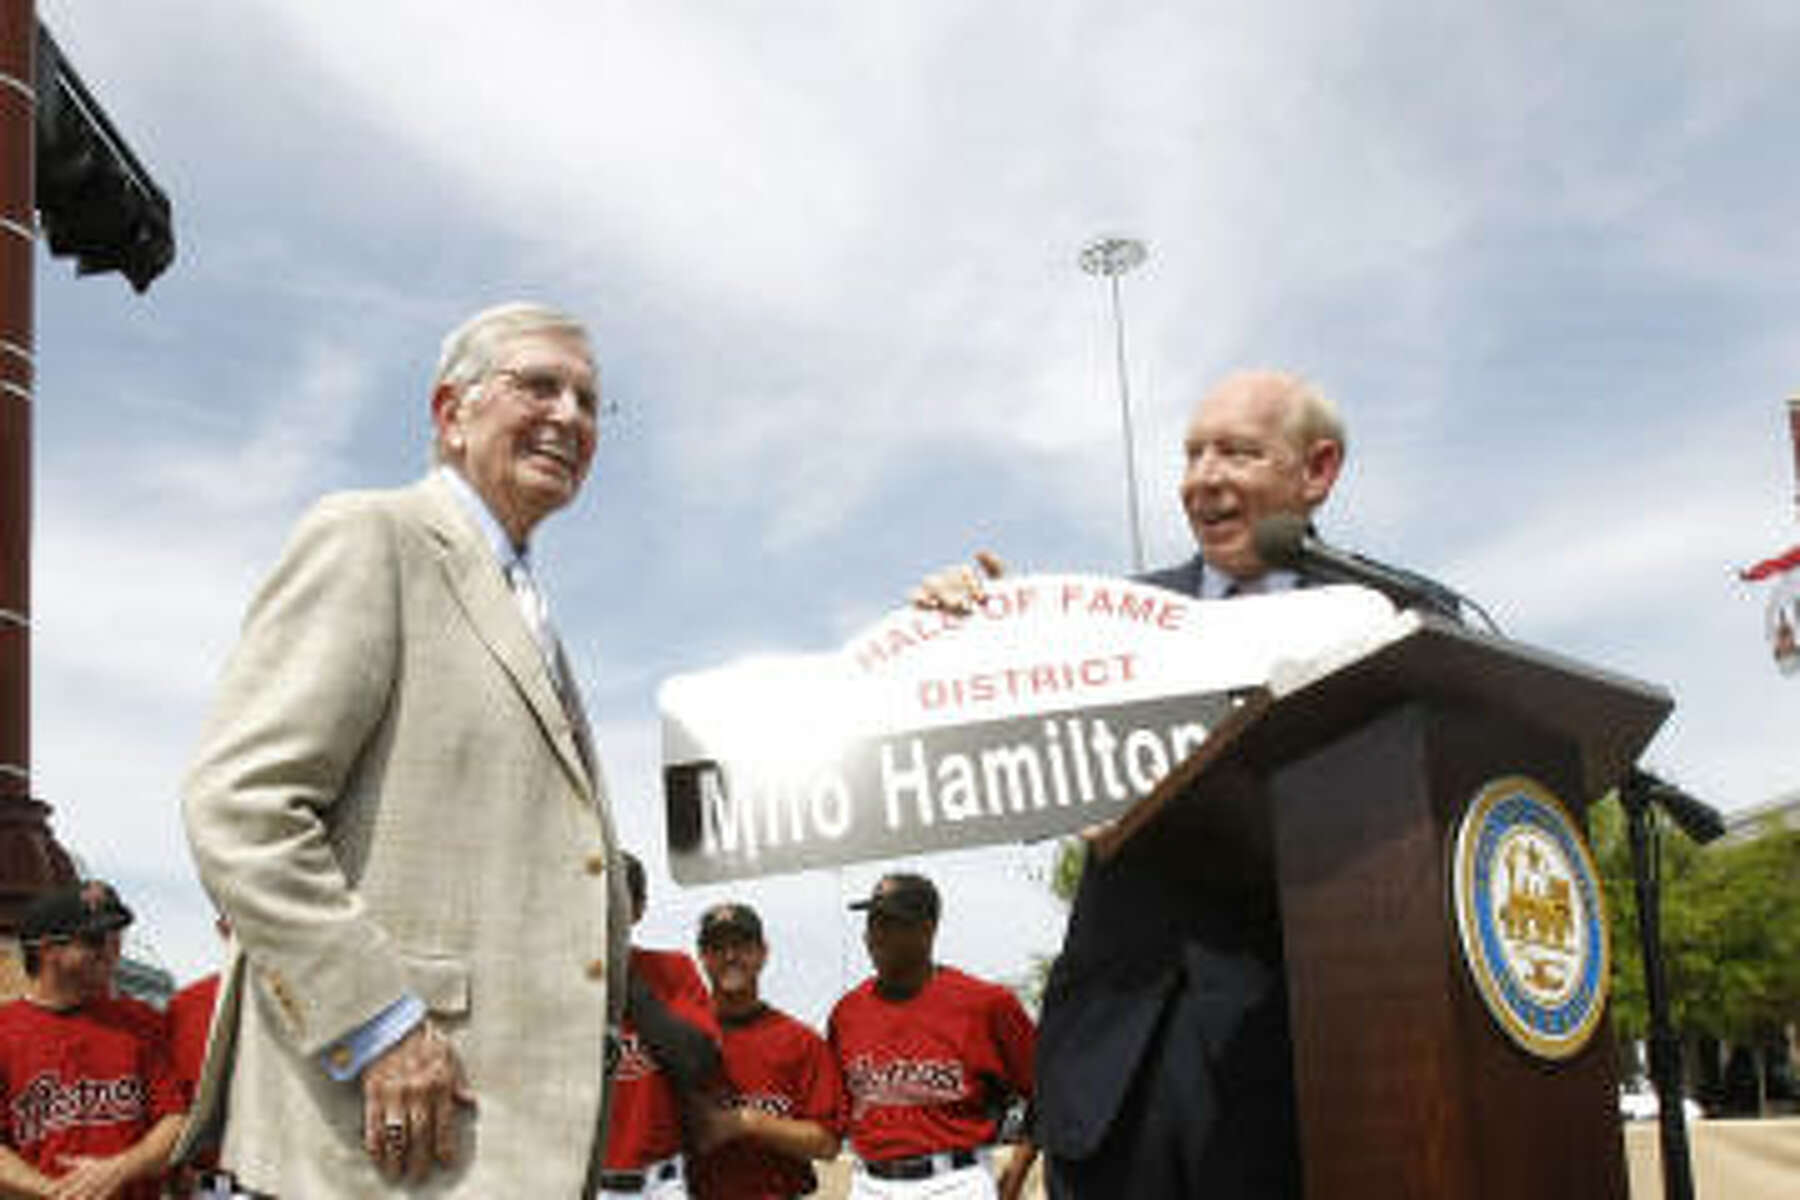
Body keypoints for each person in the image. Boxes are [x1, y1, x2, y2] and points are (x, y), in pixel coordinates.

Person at [918, 369, 1422, 1197]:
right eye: (1192, 454)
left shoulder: (1386, 621)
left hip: (1306, 1075)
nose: (1203, 477)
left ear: (1318, 469)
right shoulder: (1107, 622)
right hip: (1113, 1085)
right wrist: (975, 638)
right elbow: (1008, 771)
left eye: (1237, 452)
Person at [180, 301, 631, 1195]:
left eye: (589, 401)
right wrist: (378, 1022)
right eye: (539, 386)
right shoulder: (372, 537)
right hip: (379, 1147)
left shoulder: (523, 602)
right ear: (449, 413)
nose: (571, 417)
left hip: (492, 1150)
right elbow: (241, 807)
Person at [828, 873, 1037, 1200]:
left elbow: (1047, 1093)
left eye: (890, 922)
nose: (875, 934)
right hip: (870, 1182)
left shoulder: (985, 1003)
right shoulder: (847, 1012)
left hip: (955, 1181)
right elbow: (836, 1112)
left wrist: (1015, 1174)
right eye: (872, 922)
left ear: (927, 929)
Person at [0, 880, 185, 1199]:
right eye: (95, 940)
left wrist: (121, 1168)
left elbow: (176, 1121)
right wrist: (57, 1192)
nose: (111, 951)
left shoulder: (139, 1020)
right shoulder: (5, 1032)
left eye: (116, 938)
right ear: (48, 952)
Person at [687, 902, 843, 1200]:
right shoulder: (681, 1037)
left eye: (742, 946)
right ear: (703, 958)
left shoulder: (800, 1041)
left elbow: (827, 1143)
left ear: (762, 953)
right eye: (717, 948)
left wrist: (749, 1122)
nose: (730, 957)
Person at [600, 852, 723, 1199]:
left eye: (617, 900)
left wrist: (623, 974)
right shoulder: (557, 981)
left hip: (660, 1183)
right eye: (595, 898)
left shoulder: (672, 970)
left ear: (638, 909)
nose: (604, 910)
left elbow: (699, 1064)